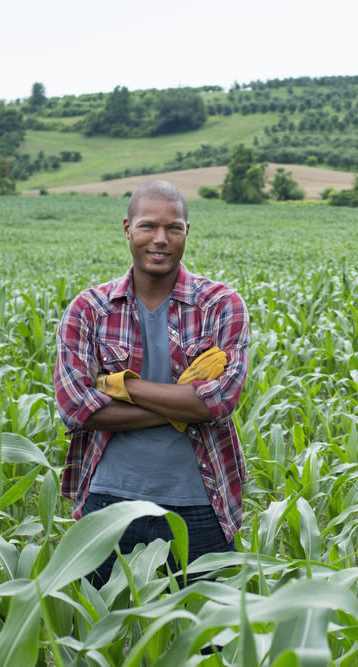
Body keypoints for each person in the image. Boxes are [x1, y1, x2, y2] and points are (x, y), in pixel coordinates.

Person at [54, 179, 249, 587]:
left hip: (200, 501)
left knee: (210, 644)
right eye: (148, 226)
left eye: (173, 228)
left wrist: (119, 386)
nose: (160, 239)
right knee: (97, 642)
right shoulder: (89, 310)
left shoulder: (220, 305)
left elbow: (219, 402)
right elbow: (76, 409)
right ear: (127, 228)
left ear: (186, 232)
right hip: (108, 498)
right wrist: (184, 405)